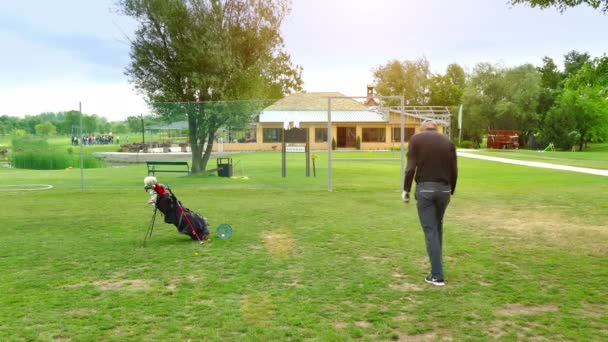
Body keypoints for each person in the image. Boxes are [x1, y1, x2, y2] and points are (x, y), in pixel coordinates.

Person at [402, 120, 458, 286]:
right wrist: (451, 190)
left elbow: (410, 168)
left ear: (422, 128)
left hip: (425, 190)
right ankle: (437, 268)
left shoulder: (416, 139)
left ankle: (437, 275)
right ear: (436, 128)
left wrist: (406, 190)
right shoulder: (448, 142)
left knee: (430, 231)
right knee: (437, 227)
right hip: (444, 190)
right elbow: (454, 169)